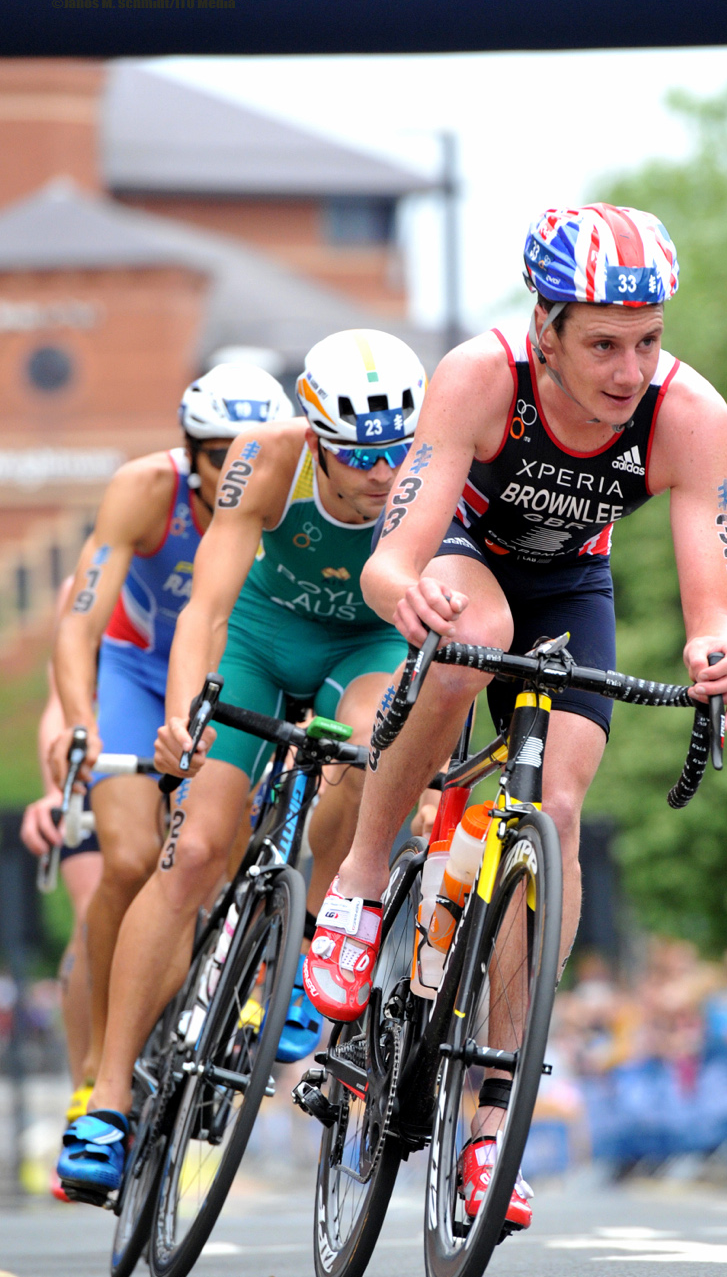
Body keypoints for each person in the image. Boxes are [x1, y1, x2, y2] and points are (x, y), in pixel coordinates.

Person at [304, 203, 727, 1231]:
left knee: (555, 807)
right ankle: (364, 883)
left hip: (572, 588)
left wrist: (718, 652)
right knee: (466, 647)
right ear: (545, 327)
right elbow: (390, 560)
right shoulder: (479, 376)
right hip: (466, 561)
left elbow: (712, 605)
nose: (629, 369)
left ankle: (492, 1115)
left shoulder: (690, 415)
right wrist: (405, 598)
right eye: (602, 343)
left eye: (647, 341)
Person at [59, 330, 425, 1199]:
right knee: (185, 855)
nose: (383, 475)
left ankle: (312, 950)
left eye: (394, 455)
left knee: (366, 749)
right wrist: (188, 715)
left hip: (363, 645)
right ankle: (105, 1101)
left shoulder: (427, 472)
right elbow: (208, 604)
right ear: (315, 436)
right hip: (261, 640)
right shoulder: (267, 460)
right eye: (360, 457)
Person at [48, 363, 292, 1166]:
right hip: (137, 672)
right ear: (192, 457)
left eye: (253, 452)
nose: (241, 472)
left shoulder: (291, 495)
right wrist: (80, 724)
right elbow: (80, 624)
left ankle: (203, 1014)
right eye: (223, 456)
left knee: (209, 862)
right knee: (125, 858)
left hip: (230, 680)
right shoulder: (144, 489)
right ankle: (95, 1077)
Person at [20, 577, 102, 1120]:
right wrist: (57, 789)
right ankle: (89, 1083)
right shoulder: (80, 584)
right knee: (95, 913)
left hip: (195, 759)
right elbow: (59, 702)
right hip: (103, 757)